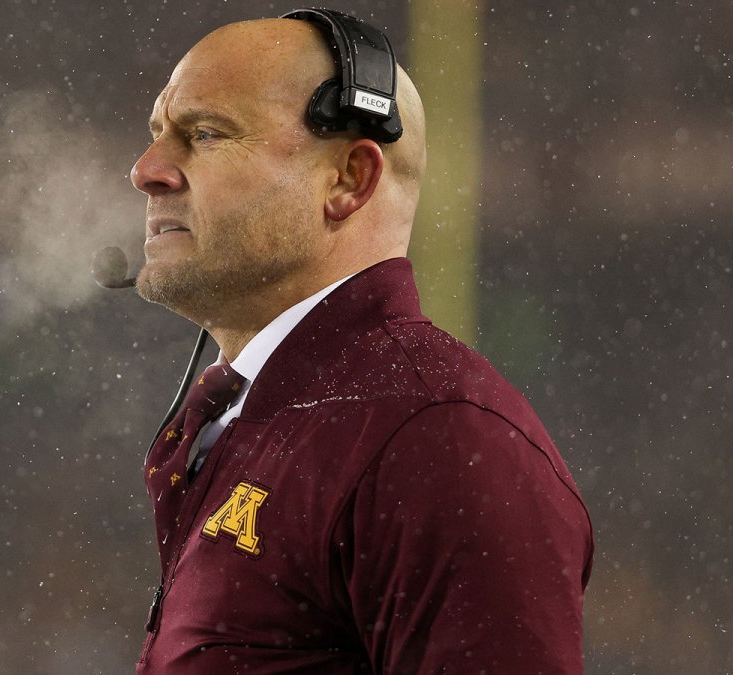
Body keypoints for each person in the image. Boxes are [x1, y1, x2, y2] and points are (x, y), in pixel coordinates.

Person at [128, 11, 594, 674]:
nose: (148, 169)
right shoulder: (262, 416)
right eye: (157, 136)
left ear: (348, 179)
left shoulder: (438, 437)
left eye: (204, 133)